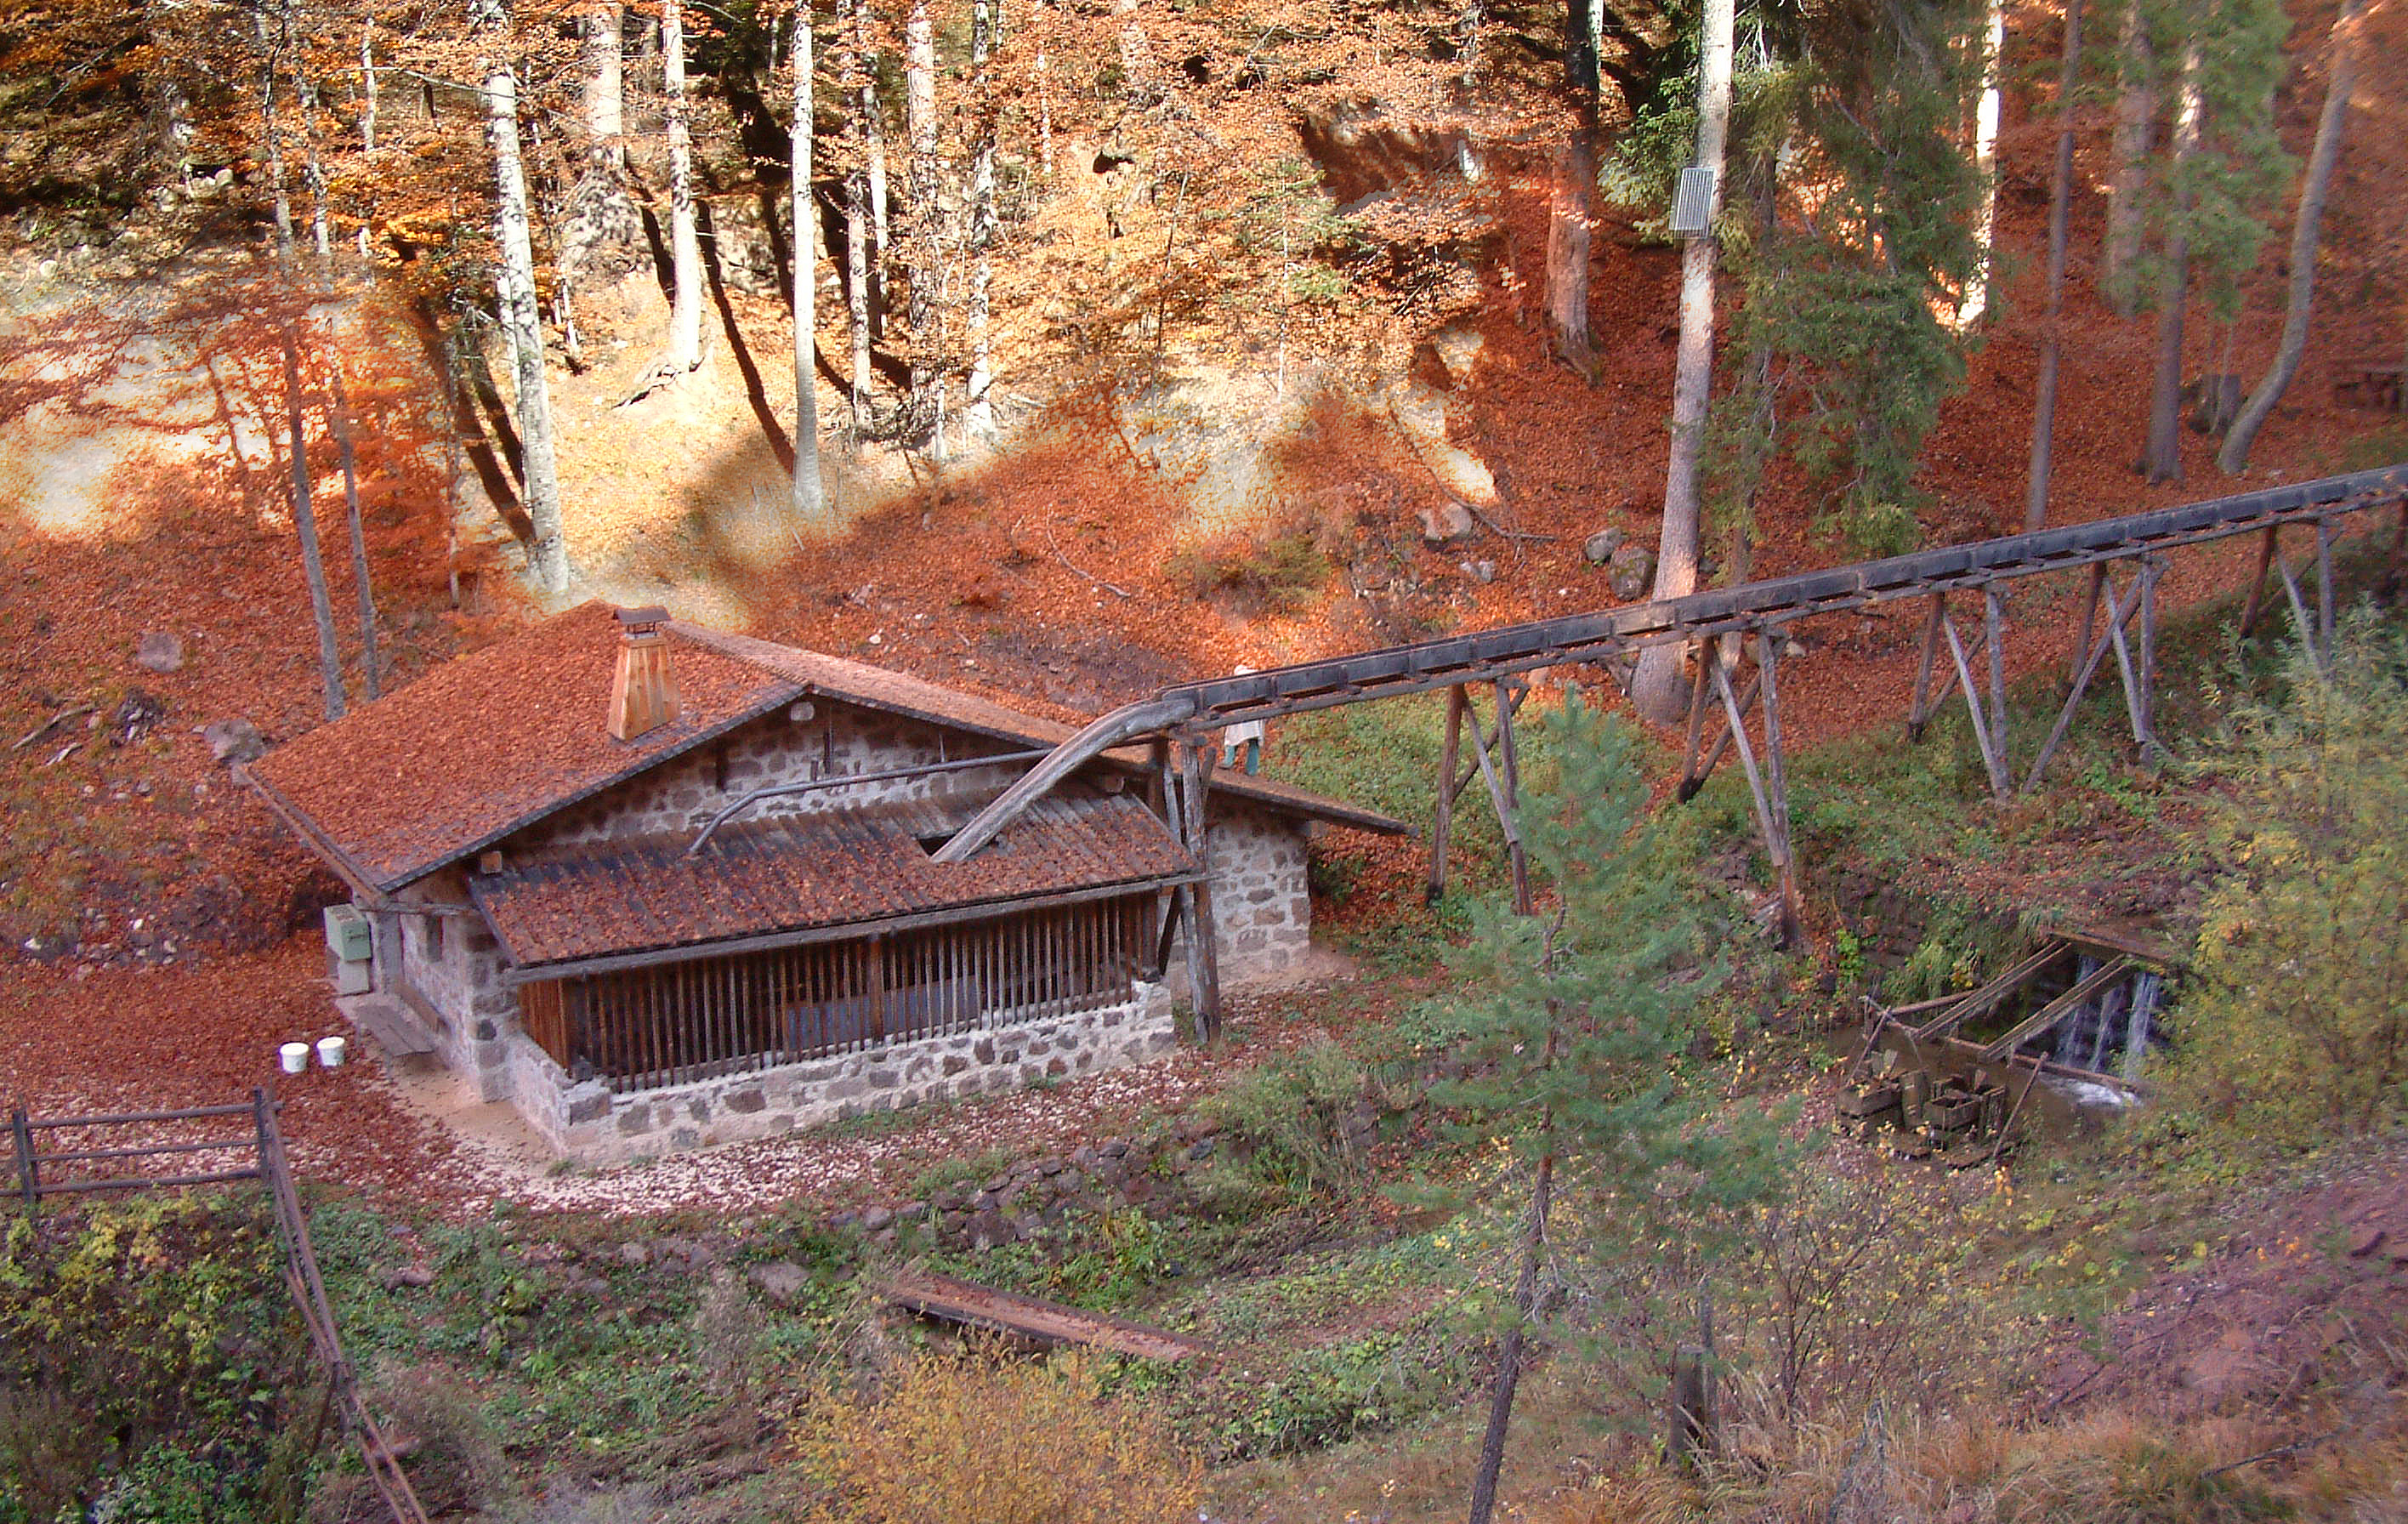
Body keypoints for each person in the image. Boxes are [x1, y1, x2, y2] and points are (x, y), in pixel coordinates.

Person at [1221, 665, 1265, 775]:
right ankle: (1252, 770)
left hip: (1241, 711)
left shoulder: (1238, 678)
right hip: (1255, 712)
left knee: (1231, 737)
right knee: (1254, 741)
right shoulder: (1257, 676)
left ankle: (1228, 761)